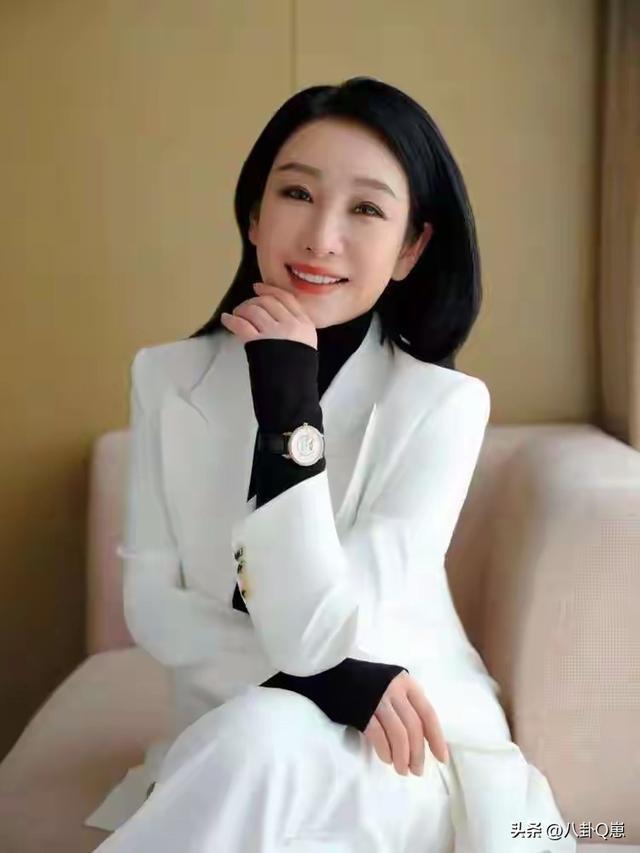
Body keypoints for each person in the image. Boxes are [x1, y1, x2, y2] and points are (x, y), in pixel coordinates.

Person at [86, 77, 576, 852]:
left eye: (367, 209)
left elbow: (325, 627)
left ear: (412, 247)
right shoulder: (166, 377)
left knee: (260, 736)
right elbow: (151, 601)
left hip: (401, 746)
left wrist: (290, 413)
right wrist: (328, 679)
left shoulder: (444, 406)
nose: (321, 237)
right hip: (244, 734)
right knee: (261, 739)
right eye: (296, 193)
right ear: (254, 213)